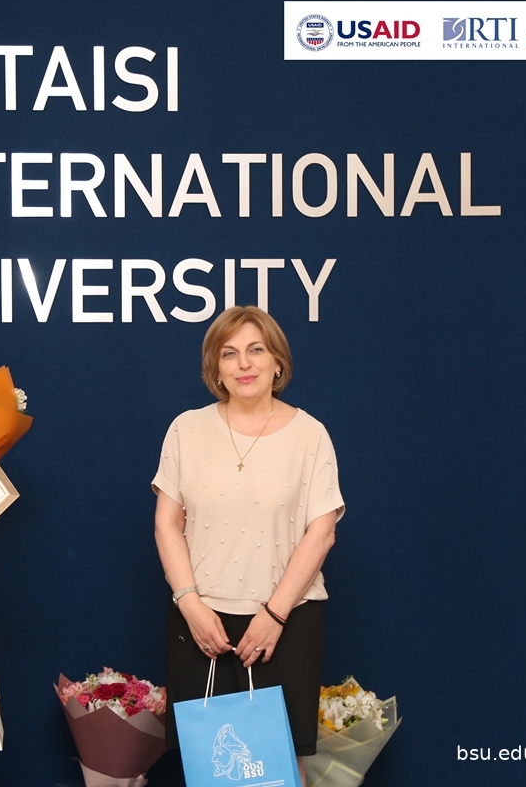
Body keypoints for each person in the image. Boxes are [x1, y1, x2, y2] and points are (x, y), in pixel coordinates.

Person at [152, 306, 344, 786]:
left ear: (277, 361)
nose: (244, 364)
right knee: (210, 769)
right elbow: (167, 524)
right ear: (215, 368)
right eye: (229, 353)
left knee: (279, 769)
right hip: (201, 623)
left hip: (287, 621)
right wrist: (190, 605)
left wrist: (275, 615)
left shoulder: (310, 435)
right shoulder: (185, 429)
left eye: (256, 350)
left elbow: (322, 532)